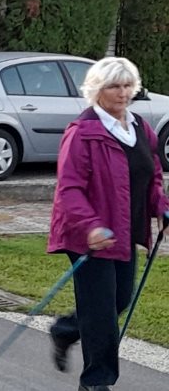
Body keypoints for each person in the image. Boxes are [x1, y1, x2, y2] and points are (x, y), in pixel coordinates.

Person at [47, 57, 169, 391]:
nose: (123, 93)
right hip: (89, 236)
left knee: (119, 300)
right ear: (97, 90)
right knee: (101, 312)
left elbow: (151, 175)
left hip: (124, 232)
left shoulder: (140, 128)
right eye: (114, 86)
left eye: (128, 85)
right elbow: (69, 189)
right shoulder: (82, 132)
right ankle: (95, 382)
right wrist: (91, 227)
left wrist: (161, 208)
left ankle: (65, 330)